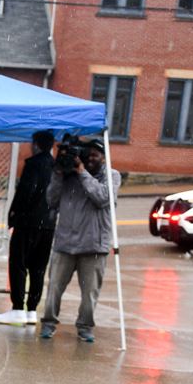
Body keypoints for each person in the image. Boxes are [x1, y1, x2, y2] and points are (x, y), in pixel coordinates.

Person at [39, 138, 120, 343]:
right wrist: (58, 174)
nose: (90, 158)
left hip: (93, 246)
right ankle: (48, 323)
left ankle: (85, 326)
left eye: (95, 155)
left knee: (89, 293)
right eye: (88, 154)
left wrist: (82, 172)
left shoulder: (111, 175)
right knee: (54, 288)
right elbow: (51, 200)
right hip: (65, 243)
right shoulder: (68, 175)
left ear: (104, 157)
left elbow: (102, 198)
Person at [0, 130, 56, 326]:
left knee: (18, 265)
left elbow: (25, 192)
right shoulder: (57, 167)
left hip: (28, 222)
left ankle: (18, 307)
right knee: (38, 268)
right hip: (48, 224)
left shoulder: (33, 165)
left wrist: (14, 215)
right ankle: (32, 310)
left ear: (36, 144)